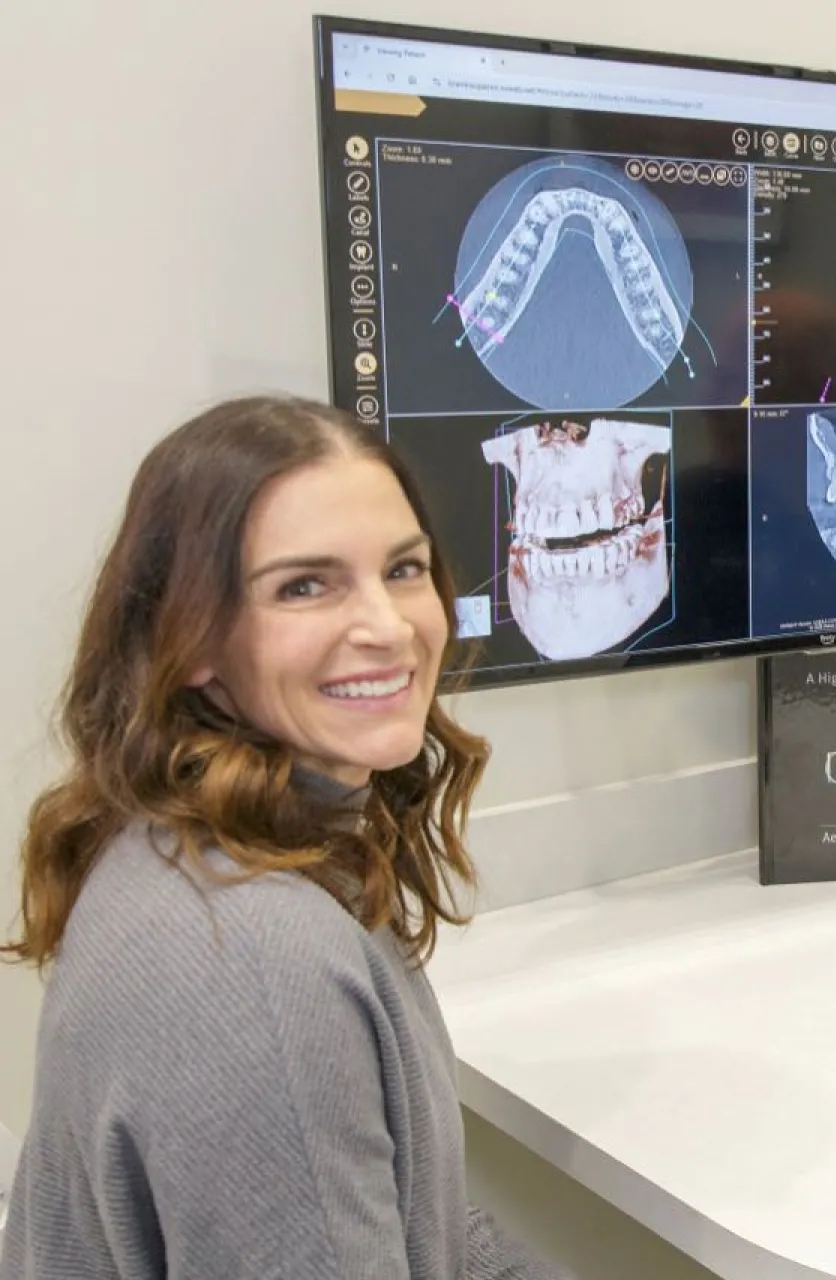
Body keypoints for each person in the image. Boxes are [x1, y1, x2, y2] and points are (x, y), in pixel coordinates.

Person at [0, 397, 569, 1277]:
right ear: (192, 640)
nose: (387, 627)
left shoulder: (232, 841)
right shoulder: (254, 959)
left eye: (405, 569)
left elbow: (430, 1229)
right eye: (305, 585)